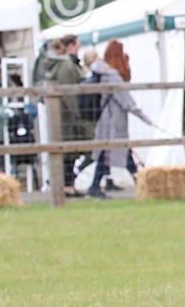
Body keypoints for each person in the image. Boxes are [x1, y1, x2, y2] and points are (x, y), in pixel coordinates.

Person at [85, 39, 154, 199]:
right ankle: (144, 187)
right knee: (111, 153)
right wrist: (144, 118)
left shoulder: (102, 73)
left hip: (108, 121)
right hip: (112, 123)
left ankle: (142, 186)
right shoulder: (111, 75)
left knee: (118, 152)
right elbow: (126, 100)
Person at [40, 34, 93, 196]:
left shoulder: (64, 65)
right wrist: (78, 114)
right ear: (69, 46)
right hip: (68, 118)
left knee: (71, 152)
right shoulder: (66, 67)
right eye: (78, 45)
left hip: (65, 116)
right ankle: (64, 186)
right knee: (71, 152)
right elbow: (69, 93)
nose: (79, 49)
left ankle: (66, 184)